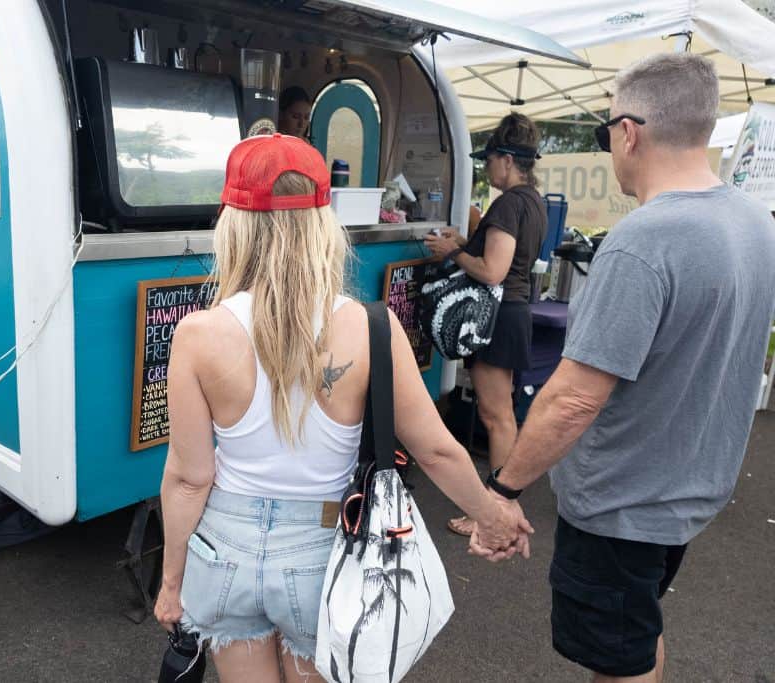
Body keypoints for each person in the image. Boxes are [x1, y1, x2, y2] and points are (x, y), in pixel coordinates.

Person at [153, 134, 532, 682]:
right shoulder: (368, 326)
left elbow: (189, 479)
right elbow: (436, 450)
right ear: (321, 225)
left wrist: (171, 582)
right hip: (326, 551)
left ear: (231, 223)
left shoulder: (198, 334)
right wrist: (493, 514)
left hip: (224, 550)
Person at [471, 53, 775, 681]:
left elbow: (574, 398)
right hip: (685, 493)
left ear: (630, 131)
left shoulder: (644, 240)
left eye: (606, 130)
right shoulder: (753, 222)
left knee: (619, 659)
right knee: (638, 633)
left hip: (622, 505)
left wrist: (502, 492)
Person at [424, 113, 547, 537]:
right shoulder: (533, 201)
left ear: (507, 159)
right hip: (514, 313)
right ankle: (501, 505)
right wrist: (465, 243)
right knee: (504, 415)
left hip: (496, 317)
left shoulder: (509, 203)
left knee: (496, 417)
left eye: (489, 159)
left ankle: (492, 513)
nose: (486, 168)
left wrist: (451, 252)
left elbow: (493, 271)